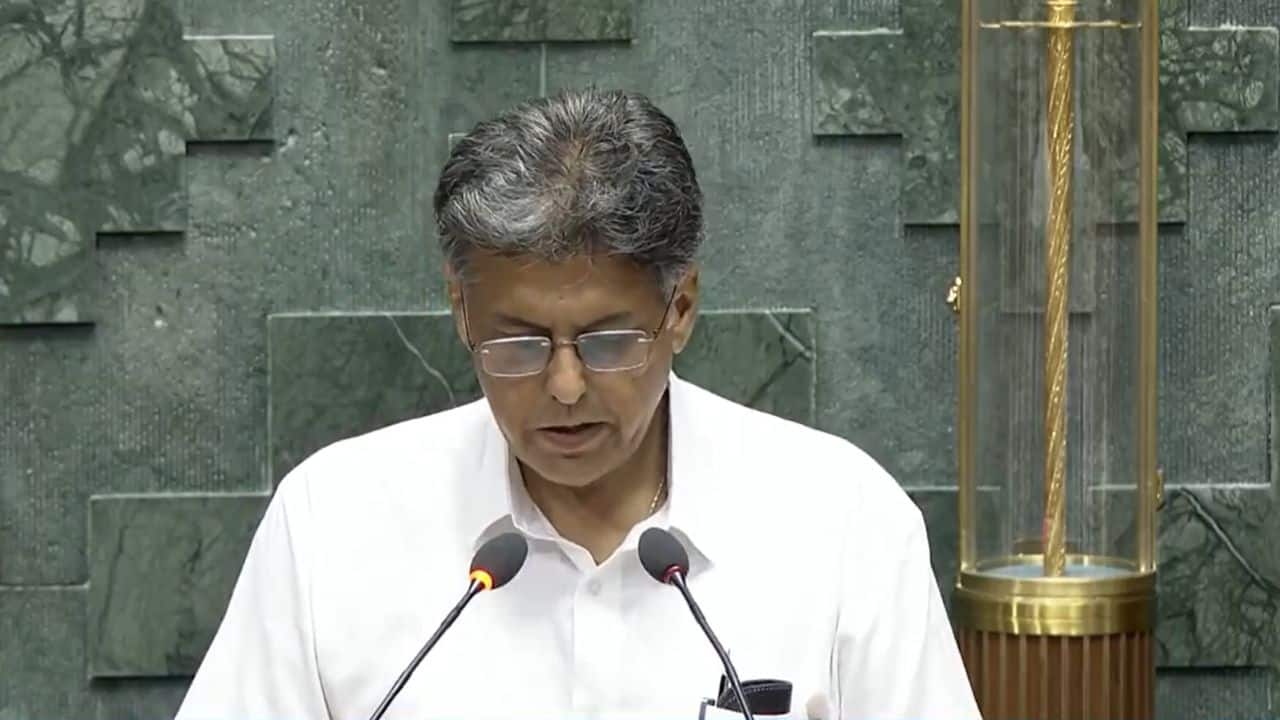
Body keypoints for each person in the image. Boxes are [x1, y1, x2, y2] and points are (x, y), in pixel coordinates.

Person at [174, 88, 980, 720]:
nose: (564, 388)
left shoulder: (844, 523)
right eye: (518, 345)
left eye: (606, 342)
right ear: (461, 312)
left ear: (682, 309)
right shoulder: (332, 522)